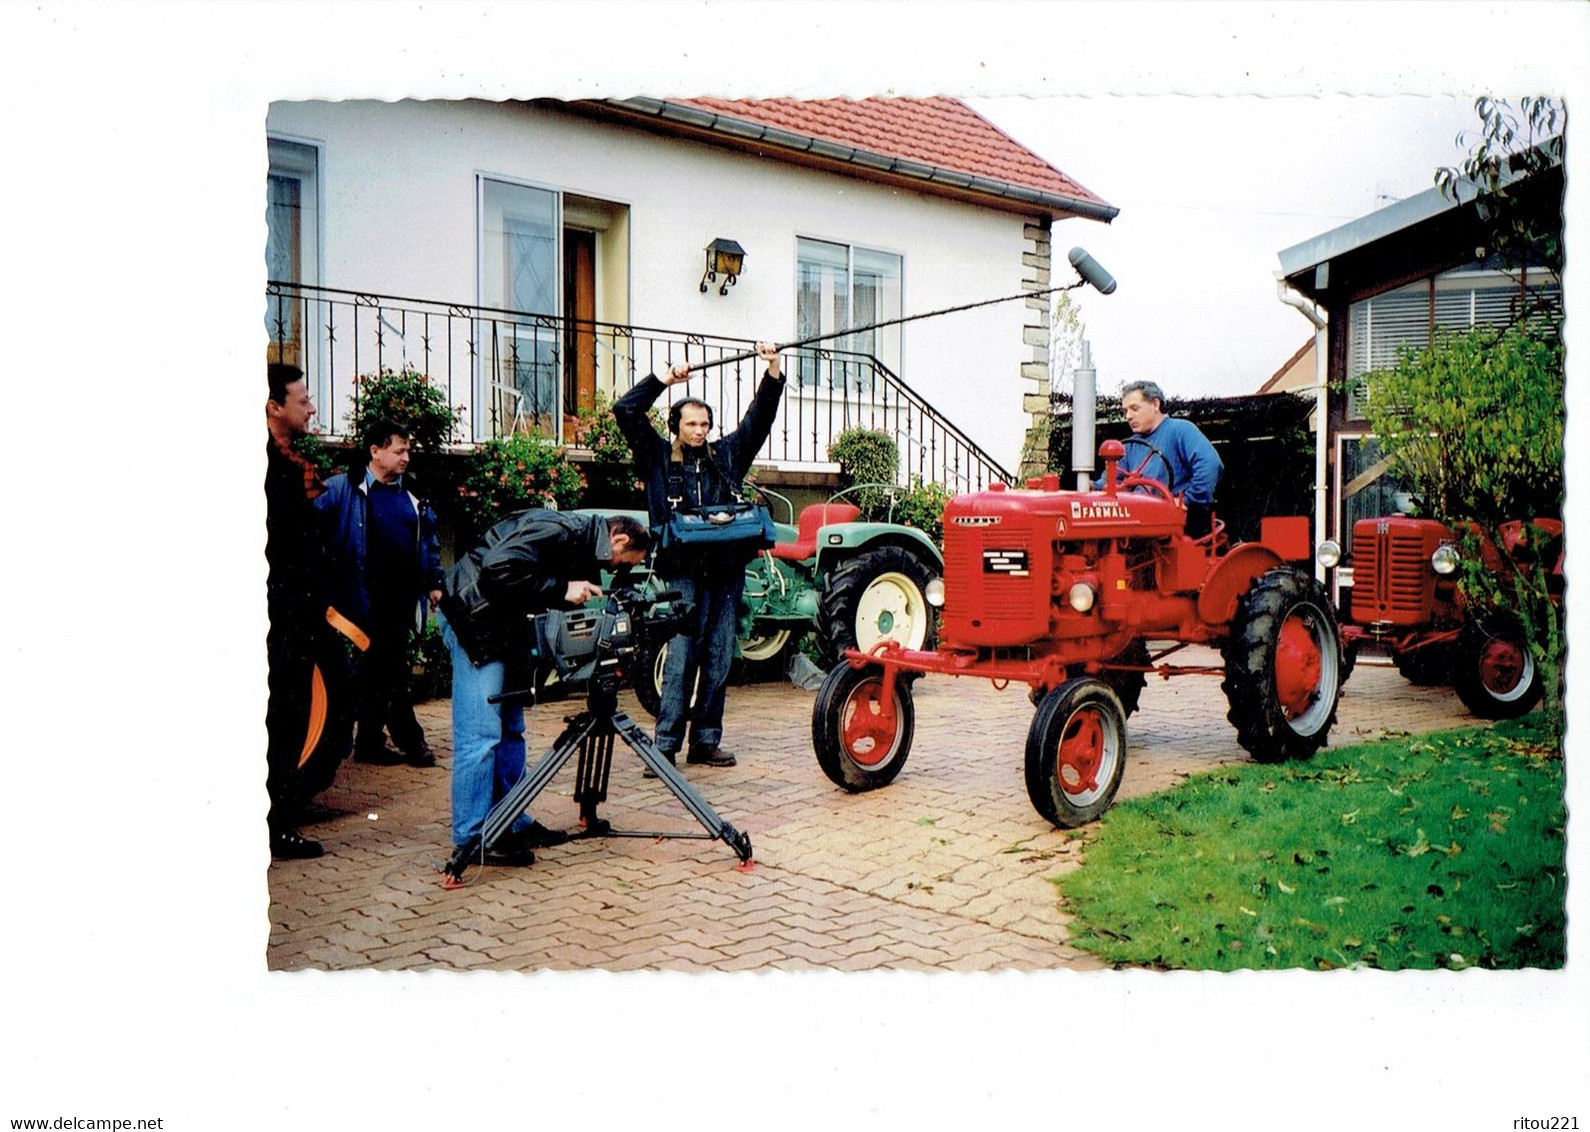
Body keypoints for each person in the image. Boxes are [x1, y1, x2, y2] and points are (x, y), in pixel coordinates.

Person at [437, 510, 650, 866]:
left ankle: (511, 821)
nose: (616, 570)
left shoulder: (580, 540)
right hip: (472, 619)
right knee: (481, 735)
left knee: (510, 730)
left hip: (500, 626)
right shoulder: (560, 530)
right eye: (621, 563)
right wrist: (563, 589)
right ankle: (472, 837)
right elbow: (497, 571)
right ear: (619, 540)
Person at [613, 342, 785, 769]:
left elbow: (758, 421)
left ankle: (706, 740)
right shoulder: (655, 456)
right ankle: (665, 745)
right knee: (680, 659)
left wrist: (773, 369)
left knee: (719, 656)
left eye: (705, 424)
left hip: (726, 575)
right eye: (691, 424)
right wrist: (663, 380)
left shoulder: (725, 456)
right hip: (682, 574)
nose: (699, 431)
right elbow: (625, 411)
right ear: (676, 425)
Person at [264, 362, 356, 860]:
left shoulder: (289, 464)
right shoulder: (271, 469)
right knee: (283, 720)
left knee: (290, 719)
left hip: (298, 614)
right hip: (283, 616)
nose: (313, 407)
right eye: (303, 400)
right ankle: (275, 828)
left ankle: (277, 822)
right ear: (274, 407)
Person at [315, 420, 444, 769]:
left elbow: (429, 543)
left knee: (379, 668)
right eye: (398, 450)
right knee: (389, 668)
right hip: (359, 599)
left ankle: (370, 742)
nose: (406, 457)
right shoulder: (344, 489)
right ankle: (411, 740)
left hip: (401, 600)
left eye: (408, 450)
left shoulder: (414, 494)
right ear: (375, 451)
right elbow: (309, 529)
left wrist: (434, 583)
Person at [1095, 379, 1223, 538]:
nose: (1128, 416)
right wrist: (1090, 487)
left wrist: (1187, 501)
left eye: (1134, 408)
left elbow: (1210, 464)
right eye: (1125, 410)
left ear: (1155, 404)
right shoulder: (1129, 446)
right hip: (1140, 525)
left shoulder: (1180, 430)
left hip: (1176, 528)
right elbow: (1110, 483)